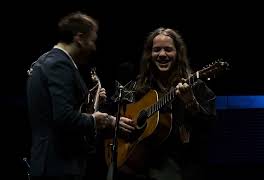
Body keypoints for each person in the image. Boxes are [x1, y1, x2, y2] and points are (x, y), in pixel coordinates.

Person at [26, 11, 134, 179]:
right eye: (92, 40)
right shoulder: (60, 64)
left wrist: (92, 102)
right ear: (79, 38)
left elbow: (56, 110)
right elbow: (64, 117)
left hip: (51, 164)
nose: (94, 47)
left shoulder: (47, 60)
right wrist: (99, 120)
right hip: (59, 166)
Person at [104, 27, 217, 180]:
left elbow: (210, 125)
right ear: (149, 54)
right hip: (135, 163)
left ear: (178, 54)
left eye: (168, 49)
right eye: (157, 49)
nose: (162, 54)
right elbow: (112, 112)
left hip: (179, 165)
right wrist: (116, 121)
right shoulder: (137, 87)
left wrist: (191, 102)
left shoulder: (195, 86)